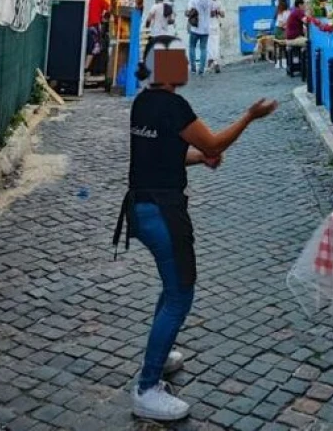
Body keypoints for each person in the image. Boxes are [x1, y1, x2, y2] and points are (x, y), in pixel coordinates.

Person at [117, 35, 277, 423]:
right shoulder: (173, 106)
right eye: (179, 61)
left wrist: (198, 161)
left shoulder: (143, 102)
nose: (185, 66)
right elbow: (214, 142)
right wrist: (248, 117)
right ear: (165, 67)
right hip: (163, 212)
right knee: (180, 295)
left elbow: (164, 154)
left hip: (140, 206)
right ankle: (147, 387)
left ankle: (161, 351)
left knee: (170, 288)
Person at [186, 0, 212, 76]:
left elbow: (189, 13)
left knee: (192, 47)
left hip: (195, 28)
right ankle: (201, 69)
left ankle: (193, 69)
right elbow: (212, 13)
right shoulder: (209, 0)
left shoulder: (193, 0)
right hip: (206, 28)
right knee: (203, 49)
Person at [85, 0, 110, 72]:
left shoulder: (87, 0)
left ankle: (85, 67)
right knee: (95, 46)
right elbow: (109, 8)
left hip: (85, 25)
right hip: (95, 25)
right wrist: (104, 16)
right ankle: (87, 68)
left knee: (87, 45)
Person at [205, 0, 224, 74]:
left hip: (208, 25)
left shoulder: (207, 3)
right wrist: (218, 12)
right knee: (216, 44)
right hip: (216, 25)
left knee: (209, 45)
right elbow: (223, 14)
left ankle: (213, 63)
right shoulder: (218, 2)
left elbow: (209, 14)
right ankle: (213, 63)